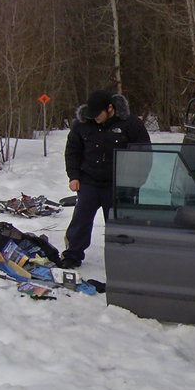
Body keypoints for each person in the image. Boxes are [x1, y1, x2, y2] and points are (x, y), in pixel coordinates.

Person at [61, 89, 150, 268]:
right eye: (91, 115)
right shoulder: (82, 124)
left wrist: (134, 184)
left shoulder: (131, 124)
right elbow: (73, 151)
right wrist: (74, 176)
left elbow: (143, 155)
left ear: (110, 108)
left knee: (120, 224)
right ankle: (73, 254)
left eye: (97, 114)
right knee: (81, 219)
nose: (95, 118)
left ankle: (122, 258)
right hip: (89, 182)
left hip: (118, 185)